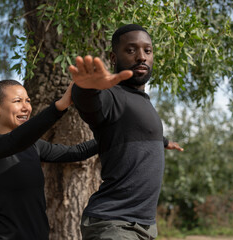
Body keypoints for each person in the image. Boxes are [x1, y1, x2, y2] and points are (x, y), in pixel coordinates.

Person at [69, 24, 184, 240]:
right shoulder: (112, 96)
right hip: (116, 226)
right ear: (113, 57)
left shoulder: (141, 101)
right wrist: (86, 86)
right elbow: (90, 104)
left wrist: (164, 141)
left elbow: (135, 131)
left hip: (143, 226)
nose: (141, 57)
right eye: (131, 50)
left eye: (147, 51)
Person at [0, 79, 97, 240]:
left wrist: (117, 132)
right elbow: (15, 141)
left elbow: (77, 152)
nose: (26, 107)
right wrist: (60, 106)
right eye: (18, 101)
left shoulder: (34, 146)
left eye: (28, 101)